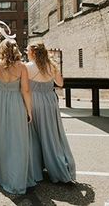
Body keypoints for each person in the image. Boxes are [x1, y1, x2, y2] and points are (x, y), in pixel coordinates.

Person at [0, 39, 36, 194]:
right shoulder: (22, 67)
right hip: (15, 102)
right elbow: (25, 90)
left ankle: (0, 174)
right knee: (17, 139)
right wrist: (29, 110)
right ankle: (16, 176)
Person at [26, 42, 76, 183]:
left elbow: (23, 86)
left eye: (28, 51)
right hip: (50, 101)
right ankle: (57, 165)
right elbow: (60, 83)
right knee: (51, 134)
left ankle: (37, 167)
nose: (26, 53)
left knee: (34, 134)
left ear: (34, 53)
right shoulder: (52, 66)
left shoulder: (28, 67)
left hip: (34, 101)